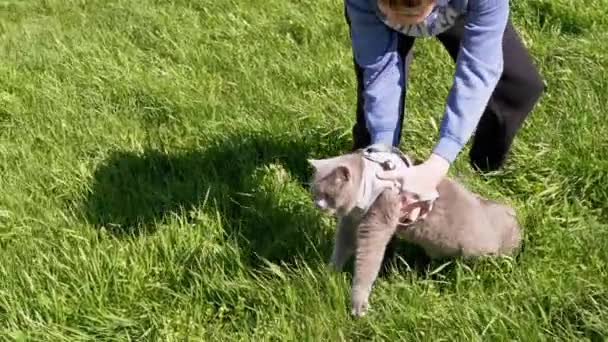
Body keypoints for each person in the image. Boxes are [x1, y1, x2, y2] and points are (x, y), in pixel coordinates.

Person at [344, 0, 545, 196]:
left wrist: (439, 161)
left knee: (519, 88)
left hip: (462, 8)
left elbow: (478, 70)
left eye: (416, 11)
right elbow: (380, 73)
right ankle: (364, 186)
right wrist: (383, 151)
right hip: (376, 14)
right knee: (371, 123)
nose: (413, 24)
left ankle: (483, 171)